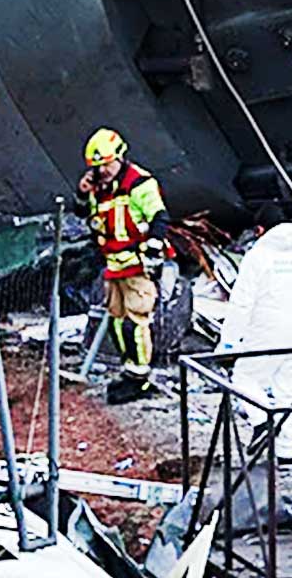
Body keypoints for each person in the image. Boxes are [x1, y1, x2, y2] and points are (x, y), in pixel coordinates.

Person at [221, 204, 292, 465]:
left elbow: (242, 302)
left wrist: (229, 342)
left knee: (244, 378)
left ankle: (262, 422)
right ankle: (286, 453)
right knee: (290, 391)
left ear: (261, 230)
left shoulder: (258, 256)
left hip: (266, 332)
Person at [76, 127, 174, 403]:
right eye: (97, 166)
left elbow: (159, 218)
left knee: (135, 323)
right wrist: (82, 194)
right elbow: (85, 213)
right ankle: (130, 370)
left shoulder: (139, 184)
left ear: (119, 157)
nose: (102, 170)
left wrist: (153, 249)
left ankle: (140, 377)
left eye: (106, 164)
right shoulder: (99, 187)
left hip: (137, 264)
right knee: (117, 322)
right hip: (113, 264)